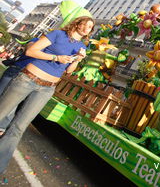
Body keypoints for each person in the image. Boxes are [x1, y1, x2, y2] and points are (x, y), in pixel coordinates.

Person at [0, 15, 94, 174]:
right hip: (27, 79)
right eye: (86, 23)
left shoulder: (80, 47)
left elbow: (68, 71)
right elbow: (31, 50)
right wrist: (56, 57)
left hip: (47, 89)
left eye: (91, 27)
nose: (87, 28)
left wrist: (78, 59)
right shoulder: (58, 34)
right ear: (77, 24)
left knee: (18, 128)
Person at [0, 38, 39, 136]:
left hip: (29, 75)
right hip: (17, 69)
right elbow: (29, 49)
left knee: (12, 101)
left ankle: (2, 128)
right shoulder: (37, 40)